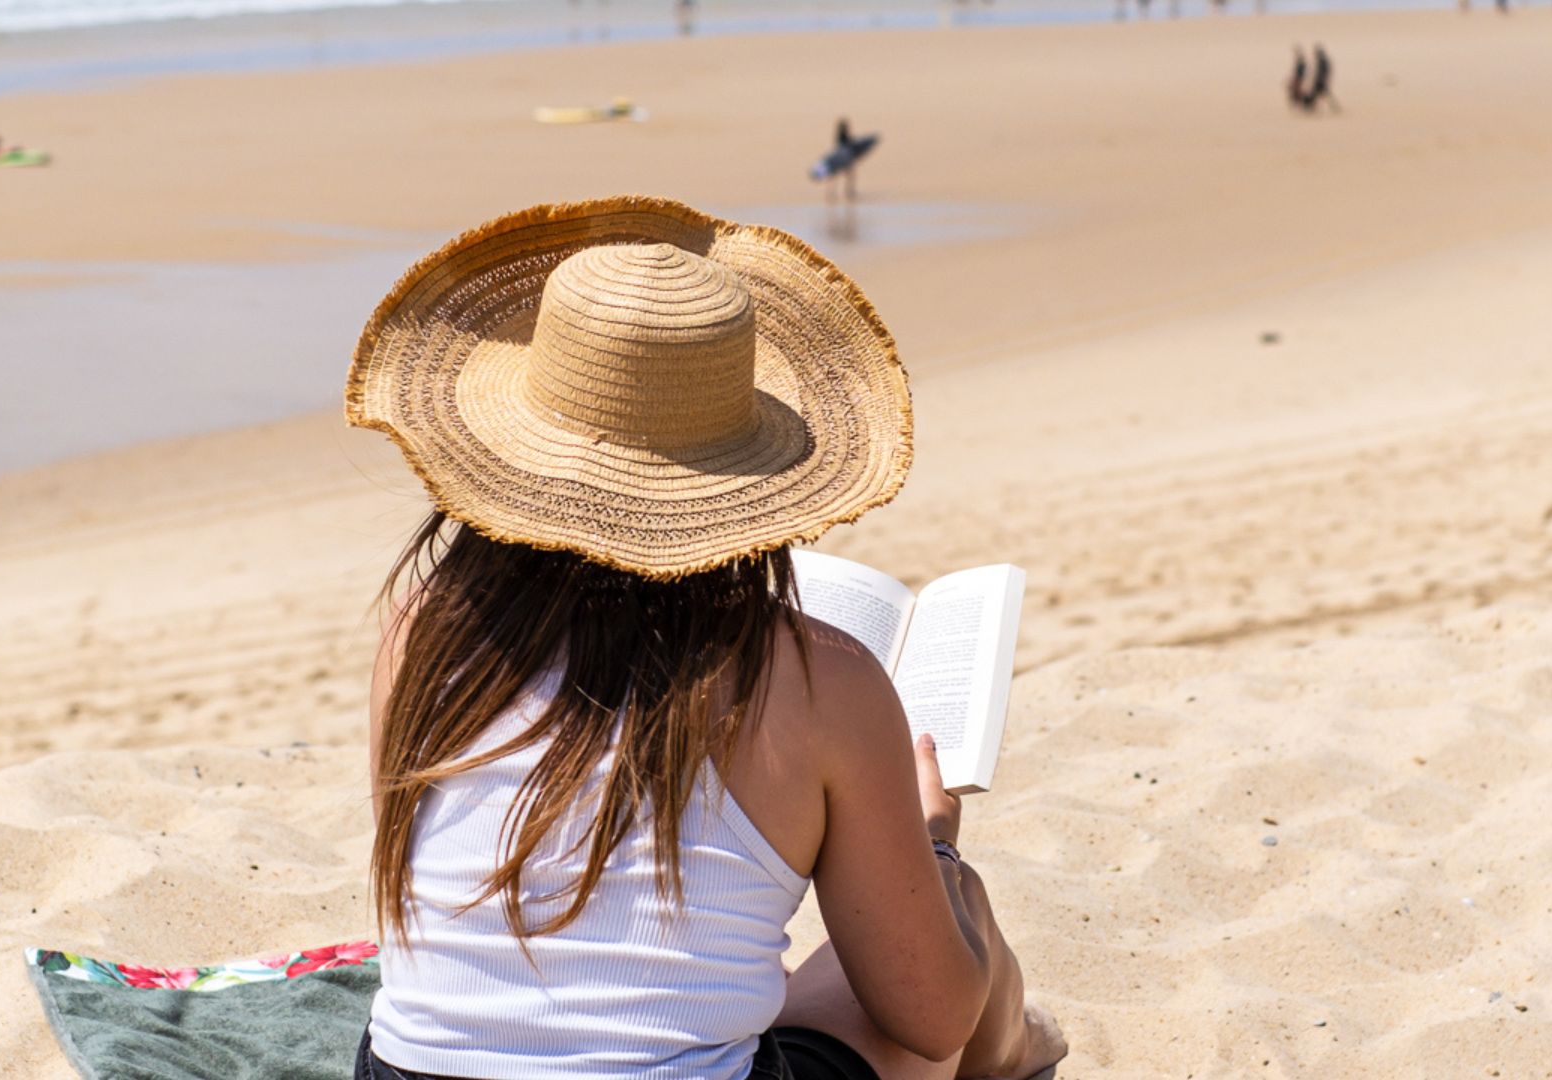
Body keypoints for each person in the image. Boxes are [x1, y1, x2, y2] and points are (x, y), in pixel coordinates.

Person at [345, 196, 1066, 1080]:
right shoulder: (818, 684)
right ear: (749, 482)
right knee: (945, 933)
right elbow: (930, 1017)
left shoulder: (422, 634)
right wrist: (936, 842)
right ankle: (1023, 1058)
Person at [1287, 45, 1307, 110]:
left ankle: (1301, 104)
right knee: (1295, 91)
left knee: (1297, 92)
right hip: (1298, 78)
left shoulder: (1301, 63)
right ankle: (1298, 103)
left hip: (1299, 78)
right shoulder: (1301, 63)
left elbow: (1300, 72)